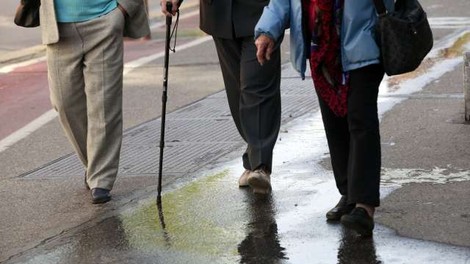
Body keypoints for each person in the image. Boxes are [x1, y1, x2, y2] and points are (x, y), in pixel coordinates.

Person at [255, 0, 393, 236]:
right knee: (334, 122)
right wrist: (267, 30)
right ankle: (348, 193)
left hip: (364, 41)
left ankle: (364, 205)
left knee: (361, 120)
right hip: (321, 50)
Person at [162, 0, 282, 194]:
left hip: (262, 12)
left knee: (256, 85)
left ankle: (260, 166)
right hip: (219, 13)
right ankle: (253, 158)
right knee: (237, 90)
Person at [40, 0, 150, 203]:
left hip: (105, 21)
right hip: (58, 27)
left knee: (105, 103)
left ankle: (101, 178)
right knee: (63, 103)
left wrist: (123, 10)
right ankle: (94, 164)